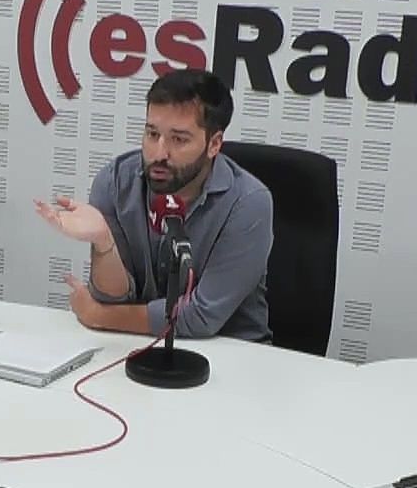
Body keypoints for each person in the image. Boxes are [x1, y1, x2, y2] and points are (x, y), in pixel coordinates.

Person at [34, 68, 273, 342]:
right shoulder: (114, 183)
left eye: (178, 139)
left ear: (214, 144)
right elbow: (114, 298)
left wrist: (98, 316)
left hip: (232, 351)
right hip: (138, 342)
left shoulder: (248, 203)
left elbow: (201, 316)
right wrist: (103, 243)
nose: (159, 154)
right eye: (152, 134)